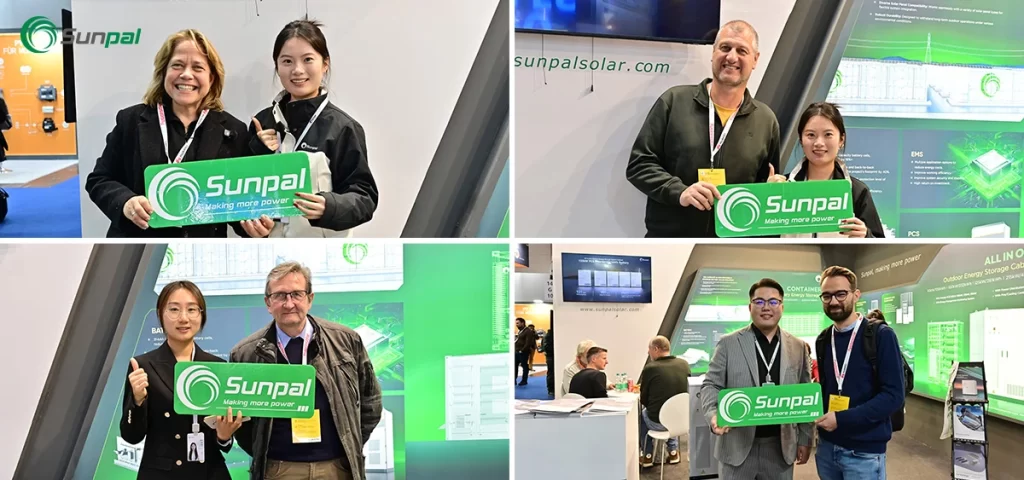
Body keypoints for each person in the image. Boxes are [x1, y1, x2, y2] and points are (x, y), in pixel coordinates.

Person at [86, 29, 249, 238]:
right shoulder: (131, 121)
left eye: (197, 67)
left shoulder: (235, 130)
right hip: (139, 246)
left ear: (212, 77)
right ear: (164, 71)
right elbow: (99, 179)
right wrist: (125, 202)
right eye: (177, 65)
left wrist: (252, 229)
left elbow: (239, 205)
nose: (186, 74)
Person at [626, 20, 781, 238]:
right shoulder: (674, 101)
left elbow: (766, 189)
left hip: (732, 245)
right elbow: (639, 165)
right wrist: (679, 191)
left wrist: (773, 191)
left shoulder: (766, 120)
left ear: (755, 60)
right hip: (671, 239)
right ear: (713, 53)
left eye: (742, 51)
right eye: (725, 48)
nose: (731, 57)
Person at [230, 261, 382, 480]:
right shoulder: (245, 354)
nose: (289, 303)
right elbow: (242, 424)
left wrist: (350, 441)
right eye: (280, 296)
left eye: (297, 294)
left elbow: (371, 401)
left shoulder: (346, 340)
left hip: (336, 468)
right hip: (279, 470)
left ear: (310, 299)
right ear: (268, 303)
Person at [239, 18, 378, 238]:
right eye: (287, 61)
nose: (297, 70)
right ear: (277, 66)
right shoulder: (262, 122)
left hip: (323, 251)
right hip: (270, 249)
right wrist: (252, 227)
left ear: (325, 64)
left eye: (308, 59)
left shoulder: (343, 127)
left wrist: (329, 206)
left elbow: (364, 198)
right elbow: (239, 197)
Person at [120, 280, 244, 480]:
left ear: (201, 315)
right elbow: (131, 436)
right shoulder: (142, 366)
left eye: (192, 309)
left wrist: (223, 435)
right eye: (174, 309)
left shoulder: (218, 367)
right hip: (161, 474)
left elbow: (224, 444)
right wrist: (137, 401)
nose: (183, 318)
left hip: (210, 473)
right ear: (161, 313)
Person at [700, 278, 813, 479]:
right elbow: (711, 384)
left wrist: (805, 438)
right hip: (737, 445)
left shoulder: (797, 346)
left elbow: (805, 392)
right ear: (750, 306)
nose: (766, 307)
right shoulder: (728, 344)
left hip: (780, 448)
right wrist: (713, 414)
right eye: (759, 302)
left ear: (782, 306)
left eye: (773, 302)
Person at [814, 266, 905, 480]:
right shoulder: (824, 339)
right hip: (827, 448)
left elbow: (893, 397)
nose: (833, 301)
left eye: (840, 294)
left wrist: (842, 418)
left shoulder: (881, 336)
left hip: (864, 452)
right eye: (827, 296)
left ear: (856, 295)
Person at [768, 102, 884, 238]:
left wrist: (866, 235)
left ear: (841, 139)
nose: (819, 143)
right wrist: (767, 198)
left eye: (828, 134)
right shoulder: (783, 187)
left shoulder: (856, 191)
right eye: (811, 135)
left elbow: (879, 246)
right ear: (801, 140)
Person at [638, 336, 691, 468]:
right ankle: (673, 452)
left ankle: (647, 456)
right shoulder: (684, 364)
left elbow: (644, 399)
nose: (648, 353)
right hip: (682, 421)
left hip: (659, 423)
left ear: (656, 349)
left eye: (649, 349)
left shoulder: (651, 368)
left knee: (643, 415)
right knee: (670, 412)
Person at [514, 318, 537, 386]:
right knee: (514, 366)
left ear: (522, 323)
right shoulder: (520, 331)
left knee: (524, 366)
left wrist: (522, 350)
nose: (516, 324)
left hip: (523, 352)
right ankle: (513, 380)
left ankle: (524, 380)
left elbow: (528, 343)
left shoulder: (528, 331)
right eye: (516, 323)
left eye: (518, 323)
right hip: (517, 352)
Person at [544, 318, 555, 397]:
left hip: (550, 356)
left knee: (550, 373)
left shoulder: (548, 335)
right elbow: (546, 347)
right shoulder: (549, 335)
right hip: (551, 356)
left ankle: (551, 389)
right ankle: (551, 389)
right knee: (551, 373)